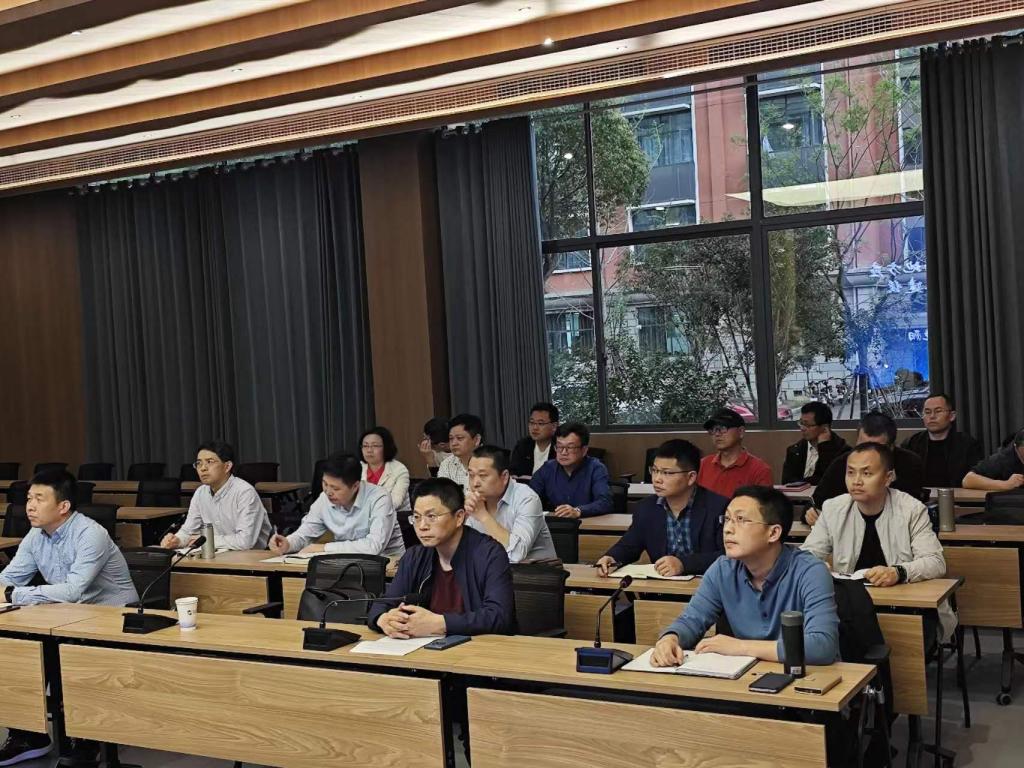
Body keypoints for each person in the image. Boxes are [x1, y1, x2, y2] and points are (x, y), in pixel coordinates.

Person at [0, 469, 139, 767]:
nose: (30, 506)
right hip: (66, 614)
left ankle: (86, 738)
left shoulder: (90, 534)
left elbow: (74, 590)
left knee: (73, 649)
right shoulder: (36, 535)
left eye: (39, 499)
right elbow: (8, 578)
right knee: (16, 647)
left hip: (111, 616)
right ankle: (28, 734)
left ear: (63, 506)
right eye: (29, 498)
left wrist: (12, 594)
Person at [652, 485, 839, 667]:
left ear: (773, 533)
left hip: (808, 679)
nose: (728, 529)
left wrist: (741, 647)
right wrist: (670, 639)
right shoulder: (722, 569)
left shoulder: (810, 571)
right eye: (727, 519)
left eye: (741, 519)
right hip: (746, 677)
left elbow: (822, 646)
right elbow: (692, 620)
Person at [801, 442, 955, 640]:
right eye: (850, 473)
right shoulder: (833, 508)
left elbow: (936, 562)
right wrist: (815, 565)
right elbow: (806, 555)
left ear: (888, 477)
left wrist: (898, 572)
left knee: (904, 638)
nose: (856, 481)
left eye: (866, 473)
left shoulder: (912, 509)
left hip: (904, 605)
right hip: (849, 606)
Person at [367, 477, 515, 637]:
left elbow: (499, 616)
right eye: (416, 517)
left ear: (459, 517)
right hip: (423, 646)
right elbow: (384, 603)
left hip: (478, 647)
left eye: (431, 516)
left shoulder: (489, 554)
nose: (422, 526)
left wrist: (441, 624)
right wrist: (382, 619)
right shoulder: (414, 557)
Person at [596, 439, 727, 577]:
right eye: (654, 470)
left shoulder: (719, 507)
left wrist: (684, 564)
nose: (657, 479)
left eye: (667, 473)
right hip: (661, 587)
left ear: (691, 477)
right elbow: (629, 545)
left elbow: (728, 556)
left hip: (709, 585)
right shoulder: (646, 508)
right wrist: (612, 558)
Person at [268, 454, 404, 557]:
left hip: (388, 568)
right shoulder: (324, 499)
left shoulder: (379, 498)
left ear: (355, 486)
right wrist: (288, 543)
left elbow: (373, 546)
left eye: (335, 488)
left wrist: (324, 548)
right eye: (325, 484)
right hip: (346, 566)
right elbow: (305, 535)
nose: (328, 492)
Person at [808, 411, 925, 521]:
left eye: (877, 448)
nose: (868, 453)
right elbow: (816, 503)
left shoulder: (910, 463)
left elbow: (912, 508)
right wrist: (812, 514)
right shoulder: (843, 462)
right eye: (862, 446)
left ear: (891, 447)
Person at [160, 440, 272, 551]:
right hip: (219, 553)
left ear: (227, 466)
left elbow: (245, 541)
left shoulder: (244, 492)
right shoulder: (200, 493)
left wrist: (207, 539)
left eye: (209, 462)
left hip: (255, 556)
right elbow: (188, 531)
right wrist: (177, 540)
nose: (203, 468)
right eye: (199, 463)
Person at [465, 445, 556, 563]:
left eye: (483, 476)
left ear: (504, 477)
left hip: (534, 572)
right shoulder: (473, 500)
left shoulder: (527, 498)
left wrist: (483, 516)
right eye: (471, 475)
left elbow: (516, 555)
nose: (475, 483)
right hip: (492, 570)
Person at [529, 422, 612, 518]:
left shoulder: (596, 468)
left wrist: (578, 511)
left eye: (570, 447)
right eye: (559, 447)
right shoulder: (548, 468)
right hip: (555, 524)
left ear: (584, 450)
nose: (564, 452)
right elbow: (529, 497)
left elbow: (605, 502)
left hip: (588, 524)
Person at [901, 393, 983, 488]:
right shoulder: (911, 443)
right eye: (927, 412)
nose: (932, 416)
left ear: (952, 416)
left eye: (938, 411)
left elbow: (975, 477)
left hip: (958, 496)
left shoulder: (967, 444)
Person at [696, 407, 773, 499]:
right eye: (713, 430)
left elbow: (762, 505)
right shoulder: (702, 465)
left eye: (722, 428)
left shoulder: (759, 470)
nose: (717, 434)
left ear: (741, 432)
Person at [781, 402, 849, 485]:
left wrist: (824, 446)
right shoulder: (794, 451)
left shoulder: (842, 451)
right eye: (801, 423)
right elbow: (786, 482)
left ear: (824, 428)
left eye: (807, 425)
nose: (802, 428)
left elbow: (829, 480)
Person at [360, 426, 411, 511]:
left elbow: (396, 502)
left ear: (386, 447)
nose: (369, 450)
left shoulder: (399, 469)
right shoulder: (357, 468)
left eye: (375, 446)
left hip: (396, 517)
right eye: (365, 446)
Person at [509, 402, 558, 476]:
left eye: (540, 423)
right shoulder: (522, 445)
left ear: (554, 426)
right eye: (532, 422)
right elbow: (513, 473)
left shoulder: (561, 447)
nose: (535, 428)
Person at [437, 413, 483, 491]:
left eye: (460, 438)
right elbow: (443, 494)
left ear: (477, 440)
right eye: (451, 438)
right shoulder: (447, 464)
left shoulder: (491, 463)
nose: (454, 443)